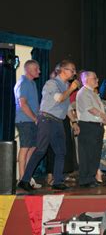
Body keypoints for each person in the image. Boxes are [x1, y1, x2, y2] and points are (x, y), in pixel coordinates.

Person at [17, 60, 80, 191]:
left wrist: (74, 122)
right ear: (63, 69)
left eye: (74, 70)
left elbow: (67, 106)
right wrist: (72, 88)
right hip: (47, 119)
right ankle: (24, 180)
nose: (74, 73)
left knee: (61, 151)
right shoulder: (52, 83)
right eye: (72, 70)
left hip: (58, 121)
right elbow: (59, 98)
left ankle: (58, 181)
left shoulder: (66, 85)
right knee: (40, 150)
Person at [77, 71, 106, 188]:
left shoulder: (93, 93)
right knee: (87, 154)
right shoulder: (83, 93)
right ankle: (85, 179)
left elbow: (97, 109)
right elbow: (90, 109)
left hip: (96, 126)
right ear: (86, 80)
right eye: (94, 78)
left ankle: (91, 177)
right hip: (88, 126)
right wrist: (104, 116)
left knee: (95, 154)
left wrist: (104, 119)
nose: (97, 80)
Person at [14, 60, 41, 188]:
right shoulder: (23, 83)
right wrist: (35, 118)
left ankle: (27, 177)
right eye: (36, 69)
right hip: (24, 120)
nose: (39, 71)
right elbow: (22, 104)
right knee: (25, 147)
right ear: (29, 70)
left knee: (33, 147)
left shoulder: (32, 83)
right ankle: (22, 179)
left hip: (32, 120)